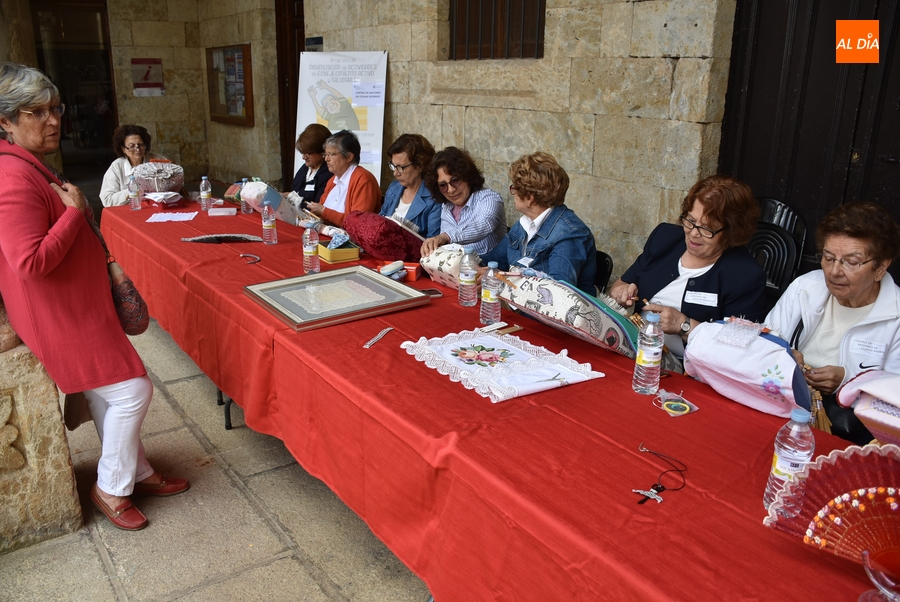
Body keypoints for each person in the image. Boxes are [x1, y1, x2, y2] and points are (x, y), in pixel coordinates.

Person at [0, 63, 188, 531]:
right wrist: (75, 213)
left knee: (110, 392)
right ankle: (111, 486)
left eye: (55, 108)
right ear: (5, 120)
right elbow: (30, 262)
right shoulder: (11, 176)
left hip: (75, 306)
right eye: (36, 112)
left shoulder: (23, 160)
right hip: (57, 315)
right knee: (132, 390)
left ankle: (137, 472)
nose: (53, 120)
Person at [766, 202, 900, 445]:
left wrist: (846, 382)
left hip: (845, 433)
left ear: (880, 267)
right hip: (782, 406)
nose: (834, 271)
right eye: (828, 258)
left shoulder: (896, 315)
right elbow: (764, 340)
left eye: (851, 262)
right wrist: (783, 357)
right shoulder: (805, 287)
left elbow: (893, 399)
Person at [609, 174, 766, 360]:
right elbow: (620, 285)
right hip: (630, 347)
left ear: (732, 232)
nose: (693, 233)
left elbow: (737, 348)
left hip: (687, 369)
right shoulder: (665, 238)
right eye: (690, 220)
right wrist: (621, 293)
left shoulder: (745, 276)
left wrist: (684, 325)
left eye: (706, 229)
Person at [481, 152, 597, 295]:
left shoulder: (570, 234)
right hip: (518, 307)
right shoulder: (524, 223)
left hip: (549, 315)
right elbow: (492, 261)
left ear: (530, 198)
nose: (513, 193)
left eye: (514, 188)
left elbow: (558, 293)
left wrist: (502, 280)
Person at [420, 147, 506, 257]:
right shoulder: (446, 206)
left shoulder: (490, 198)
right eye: (443, 185)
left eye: (455, 180)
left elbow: (484, 225)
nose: (450, 190)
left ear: (468, 176)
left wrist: (445, 237)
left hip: (489, 270)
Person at [306, 129, 381, 227]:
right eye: (326, 154)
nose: (326, 159)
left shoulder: (363, 180)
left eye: (332, 154)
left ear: (349, 157)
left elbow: (358, 224)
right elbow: (319, 213)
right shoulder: (332, 181)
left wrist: (324, 211)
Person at [379, 133, 441, 238]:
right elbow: (379, 222)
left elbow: (432, 241)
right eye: (394, 166)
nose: (395, 173)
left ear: (420, 165)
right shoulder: (394, 188)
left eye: (401, 167)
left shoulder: (434, 198)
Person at [99, 124, 165, 207]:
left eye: (140, 145)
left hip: (156, 207)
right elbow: (107, 200)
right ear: (123, 149)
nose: (137, 149)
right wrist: (133, 191)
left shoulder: (158, 160)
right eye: (131, 146)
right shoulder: (117, 167)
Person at [289, 123, 332, 206]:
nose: (303, 157)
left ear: (322, 151)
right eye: (302, 153)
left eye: (308, 153)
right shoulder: (305, 168)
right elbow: (294, 190)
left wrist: (292, 198)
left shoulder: (329, 174)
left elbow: (318, 206)